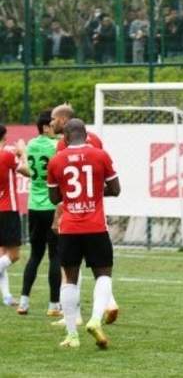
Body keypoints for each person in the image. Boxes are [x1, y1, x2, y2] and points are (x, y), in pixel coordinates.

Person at [47, 119, 121, 348]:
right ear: (86, 135)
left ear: (65, 137)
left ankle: (72, 335)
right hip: (95, 226)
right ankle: (95, 319)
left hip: (69, 228)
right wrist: (95, 192)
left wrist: (72, 195)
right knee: (103, 274)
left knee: (69, 278)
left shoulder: (56, 160)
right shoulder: (101, 155)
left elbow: (54, 198)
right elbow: (116, 189)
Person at [17, 111, 62, 316]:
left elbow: (28, 170)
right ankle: (53, 305)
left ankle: (23, 302)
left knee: (35, 255)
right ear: (45, 127)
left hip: (34, 206)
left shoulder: (32, 144)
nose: (55, 129)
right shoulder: (56, 146)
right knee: (55, 255)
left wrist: (22, 153)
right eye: (52, 125)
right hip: (52, 207)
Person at [0, 125, 30, 306]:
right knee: (14, 255)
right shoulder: (5, 155)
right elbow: (27, 171)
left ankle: (7, 296)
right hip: (7, 209)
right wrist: (22, 152)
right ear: (4, 137)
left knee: (2, 254)